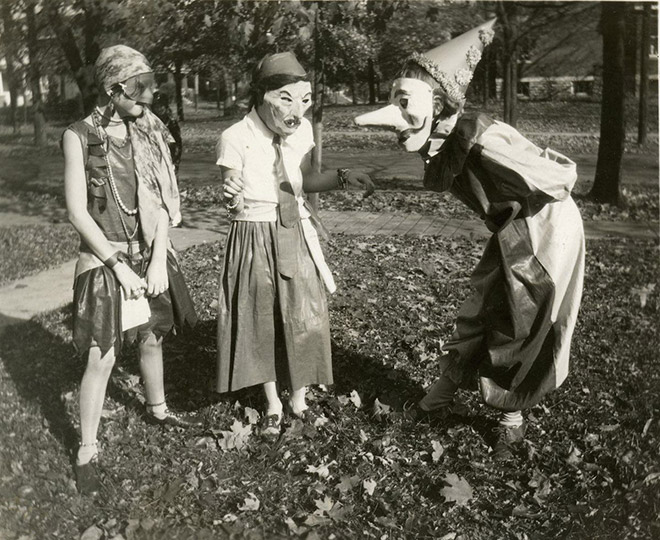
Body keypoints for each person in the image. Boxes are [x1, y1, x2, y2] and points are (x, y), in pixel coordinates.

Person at [356, 19, 585, 459]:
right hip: (512, 228)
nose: (397, 119)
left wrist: (525, 214)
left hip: (544, 228)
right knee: (480, 307)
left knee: (520, 321)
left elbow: (559, 178)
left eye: (407, 103)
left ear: (439, 103)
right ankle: (439, 397)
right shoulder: (443, 142)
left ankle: (511, 421)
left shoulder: (480, 137)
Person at [62, 45, 198, 495]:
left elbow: (161, 202)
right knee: (102, 356)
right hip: (105, 259)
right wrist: (118, 265)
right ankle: (86, 449)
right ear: (112, 88)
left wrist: (159, 257)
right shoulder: (78, 136)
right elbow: (78, 213)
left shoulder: (150, 130)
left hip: (148, 253)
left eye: (151, 85)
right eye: (140, 88)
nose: (150, 96)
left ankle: (157, 409)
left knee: (152, 336)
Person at [216, 52, 374, 439]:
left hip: (294, 230)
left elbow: (303, 180)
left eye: (304, 100)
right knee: (260, 318)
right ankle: (271, 401)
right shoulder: (235, 137)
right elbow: (232, 198)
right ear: (262, 95)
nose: (296, 110)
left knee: (305, 311)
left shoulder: (301, 132)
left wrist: (342, 177)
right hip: (254, 232)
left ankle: (298, 398)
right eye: (285, 98)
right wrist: (231, 193)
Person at [151, 89, 183, 173]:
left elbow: (178, 143)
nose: (159, 109)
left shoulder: (171, 122)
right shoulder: (151, 121)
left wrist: (176, 161)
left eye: (162, 106)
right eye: (157, 107)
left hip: (169, 155)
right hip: (154, 157)